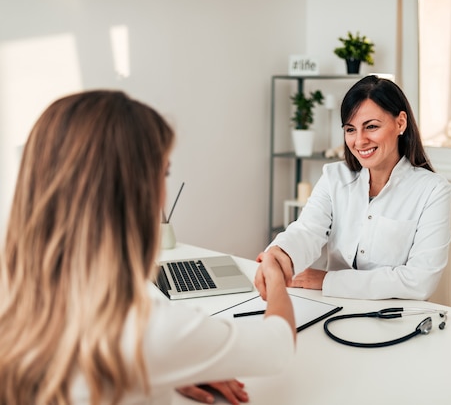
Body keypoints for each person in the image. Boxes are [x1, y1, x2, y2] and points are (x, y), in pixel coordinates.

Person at [0, 90, 296, 405]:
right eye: (164, 172)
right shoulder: (149, 329)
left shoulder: (16, 299)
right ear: (132, 191)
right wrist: (275, 278)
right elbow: (277, 346)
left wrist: (173, 366)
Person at [255, 75, 451, 301]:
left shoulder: (433, 191)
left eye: (371, 127)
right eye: (350, 130)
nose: (359, 141)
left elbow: (419, 281)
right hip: (336, 306)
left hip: (396, 316)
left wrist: (327, 280)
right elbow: (307, 230)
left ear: (400, 123)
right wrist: (281, 254)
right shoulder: (334, 177)